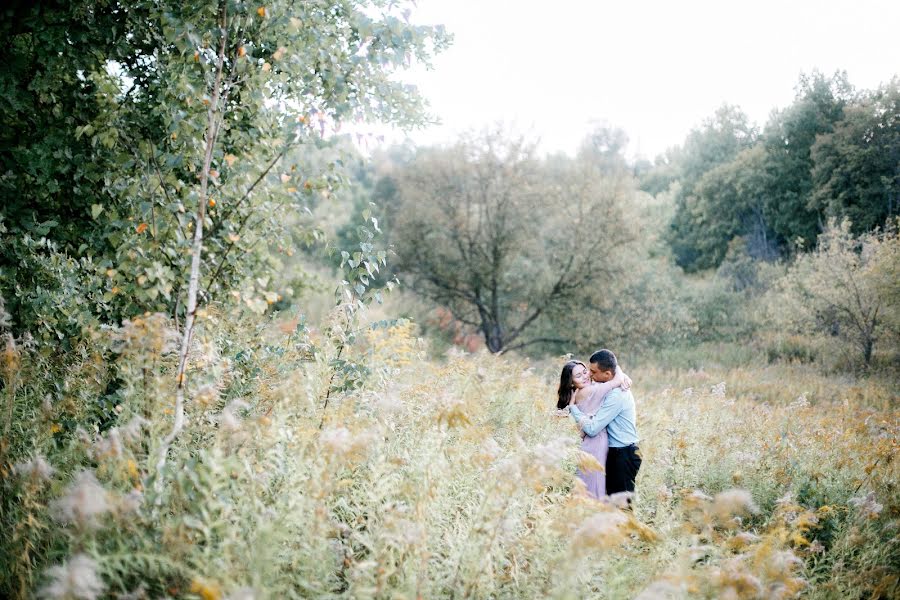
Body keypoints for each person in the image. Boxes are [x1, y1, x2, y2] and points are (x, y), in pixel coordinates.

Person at [567, 349, 641, 501]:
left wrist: (573, 408)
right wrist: (621, 374)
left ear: (607, 374)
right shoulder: (609, 385)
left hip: (624, 455)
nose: (590, 375)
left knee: (621, 508)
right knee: (611, 505)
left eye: (593, 372)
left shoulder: (616, 395)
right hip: (616, 453)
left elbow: (593, 429)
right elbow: (613, 369)